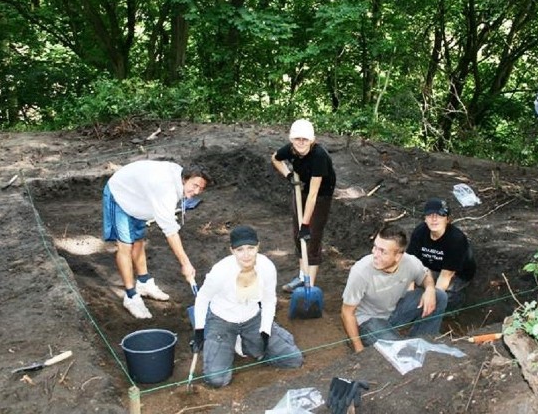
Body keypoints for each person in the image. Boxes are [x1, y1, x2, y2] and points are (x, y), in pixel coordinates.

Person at [190, 225, 303, 388]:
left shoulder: (266, 267)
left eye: (251, 248)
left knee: (293, 359)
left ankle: (247, 342)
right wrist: (199, 331)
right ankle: (227, 342)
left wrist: (265, 330)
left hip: (252, 318)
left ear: (258, 246)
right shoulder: (220, 271)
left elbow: (269, 300)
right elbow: (202, 298)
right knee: (217, 380)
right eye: (240, 249)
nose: (246, 254)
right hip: (222, 321)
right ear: (232, 251)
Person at [102, 160, 211, 319]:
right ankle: (131, 296)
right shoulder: (164, 189)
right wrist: (185, 264)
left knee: (138, 242)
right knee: (125, 246)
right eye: (194, 185)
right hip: (120, 195)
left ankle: (144, 282)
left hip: (139, 199)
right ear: (185, 178)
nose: (196, 191)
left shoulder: (179, 178)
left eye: (201, 188)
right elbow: (170, 231)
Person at [340, 225, 448, 352]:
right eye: (375, 247)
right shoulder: (361, 271)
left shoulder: (410, 262)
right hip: (367, 321)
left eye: (383, 251)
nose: (375, 254)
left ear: (398, 256)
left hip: (394, 311)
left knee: (439, 296)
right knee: (400, 351)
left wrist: (430, 289)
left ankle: (423, 343)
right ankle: (369, 339)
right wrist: (358, 348)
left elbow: (425, 275)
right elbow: (346, 312)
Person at [271, 119, 336, 292]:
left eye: (305, 139)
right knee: (297, 235)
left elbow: (313, 195)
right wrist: (289, 176)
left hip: (321, 194)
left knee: (311, 237)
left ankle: (310, 284)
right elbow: (275, 158)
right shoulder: (290, 149)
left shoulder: (319, 156)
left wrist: (306, 224)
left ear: (312, 140)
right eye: (297, 138)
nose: (301, 142)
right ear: (292, 139)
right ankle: (302, 277)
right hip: (301, 188)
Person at [407, 198, 476, 310]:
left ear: (447, 219)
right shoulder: (419, 232)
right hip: (430, 268)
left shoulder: (456, 239)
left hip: (455, 274)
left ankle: (456, 306)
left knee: (442, 299)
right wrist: (408, 298)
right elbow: (410, 264)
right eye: (430, 215)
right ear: (425, 218)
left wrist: (431, 297)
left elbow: (445, 277)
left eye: (439, 215)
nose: (434, 219)